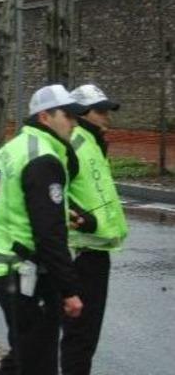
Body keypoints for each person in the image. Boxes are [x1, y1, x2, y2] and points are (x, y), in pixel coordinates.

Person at [0, 84, 88, 375]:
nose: (73, 123)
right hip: (28, 274)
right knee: (39, 364)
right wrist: (69, 289)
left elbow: (14, 206)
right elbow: (49, 232)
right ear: (45, 117)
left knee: (23, 356)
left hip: (4, 268)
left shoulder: (8, 151)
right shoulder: (44, 158)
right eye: (68, 115)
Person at [61, 84, 129, 375]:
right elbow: (50, 188)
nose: (107, 117)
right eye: (100, 111)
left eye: (107, 111)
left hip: (97, 251)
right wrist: (74, 214)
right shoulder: (74, 142)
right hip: (80, 252)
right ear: (82, 112)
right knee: (79, 336)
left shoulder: (94, 143)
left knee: (85, 336)